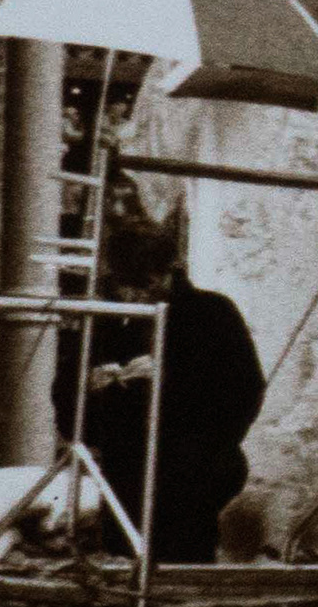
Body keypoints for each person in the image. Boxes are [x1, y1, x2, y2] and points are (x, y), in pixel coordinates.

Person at [57, 188, 265, 563]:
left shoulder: (211, 314)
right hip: (126, 471)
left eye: (145, 285)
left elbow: (242, 393)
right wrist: (91, 389)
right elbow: (66, 399)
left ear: (168, 273)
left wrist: (168, 384)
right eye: (126, 286)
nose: (134, 297)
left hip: (193, 469)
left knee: (180, 559)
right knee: (123, 559)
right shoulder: (105, 319)